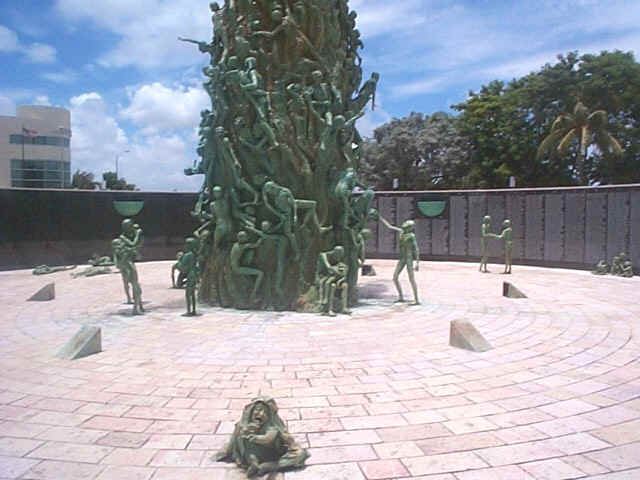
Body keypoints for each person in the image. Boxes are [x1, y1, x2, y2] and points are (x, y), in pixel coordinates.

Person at [215, 397, 309, 477]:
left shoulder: (272, 426)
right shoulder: (243, 425)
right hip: (251, 454)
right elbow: (232, 443)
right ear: (251, 411)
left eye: (265, 412)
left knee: (300, 454)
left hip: (272, 454)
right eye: (258, 410)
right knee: (242, 436)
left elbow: (269, 438)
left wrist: (256, 438)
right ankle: (253, 462)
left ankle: (270, 466)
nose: (260, 414)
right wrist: (226, 452)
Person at [380, 217, 420, 304]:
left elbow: (416, 249)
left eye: (408, 225)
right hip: (402, 258)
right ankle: (401, 297)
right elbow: (389, 226)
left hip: (409, 258)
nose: (405, 226)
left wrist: (417, 263)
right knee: (395, 277)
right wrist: (380, 217)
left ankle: (416, 299)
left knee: (411, 278)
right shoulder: (401, 232)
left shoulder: (411, 236)